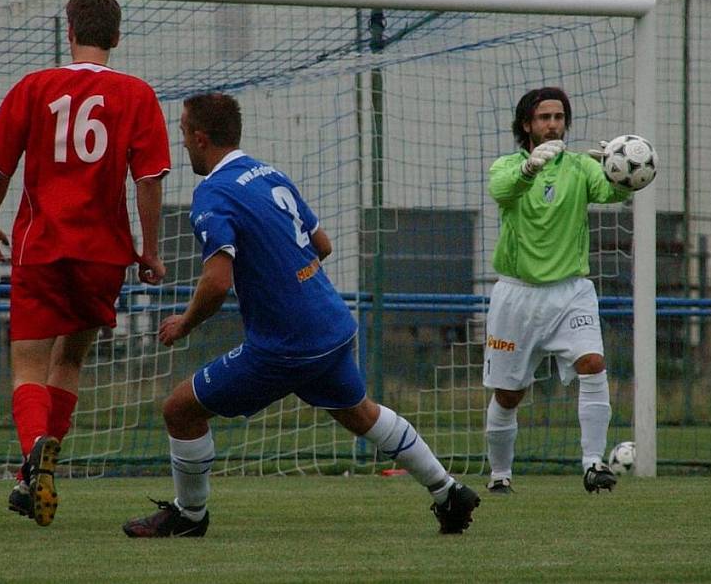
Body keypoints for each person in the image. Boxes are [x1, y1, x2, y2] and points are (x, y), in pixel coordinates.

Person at [122, 93, 480, 538]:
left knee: (179, 409)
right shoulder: (269, 173)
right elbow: (323, 245)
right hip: (330, 326)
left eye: (182, 133)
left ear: (199, 138)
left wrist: (184, 323)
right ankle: (448, 490)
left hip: (284, 346)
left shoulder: (212, 193)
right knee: (359, 413)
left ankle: (189, 516)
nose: (183, 144)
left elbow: (216, 284)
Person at [0, 0, 171, 527]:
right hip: (102, 254)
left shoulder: (34, 87)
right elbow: (149, 179)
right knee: (70, 360)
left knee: (28, 364)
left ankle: (34, 450)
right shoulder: (137, 94)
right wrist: (148, 251)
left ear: (69, 33)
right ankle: (31, 475)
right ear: (115, 36)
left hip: (40, 247)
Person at [482, 87, 630, 495]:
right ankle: (500, 475)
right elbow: (502, 191)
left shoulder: (581, 167)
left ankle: (593, 464)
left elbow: (613, 193)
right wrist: (529, 169)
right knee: (509, 395)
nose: (552, 125)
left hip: (571, 291)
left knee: (593, 363)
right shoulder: (507, 166)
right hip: (517, 295)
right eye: (543, 118)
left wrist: (624, 167)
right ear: (527, 125)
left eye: (559, 117)